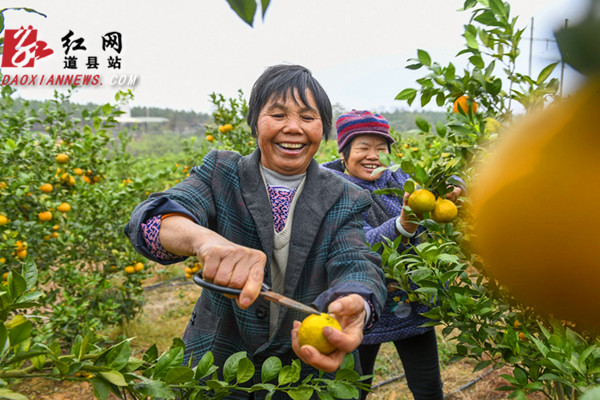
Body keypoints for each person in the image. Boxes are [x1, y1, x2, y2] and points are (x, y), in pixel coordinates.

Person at [124, 66, 387, 396]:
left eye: (308, 117)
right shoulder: (221, 172)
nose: (293, 128)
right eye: (277, 114)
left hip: (308, 370)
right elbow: (152, 219)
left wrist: (357, 302)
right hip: (217, 361)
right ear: (255, 121)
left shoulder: (345, 195)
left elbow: (357, 260)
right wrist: (203, 240)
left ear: (324, 129)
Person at [322, 110, 462, 400]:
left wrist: (454, 184)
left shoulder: (400, 179)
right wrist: (402, 225)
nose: (373, 156)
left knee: (428, 388)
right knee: (353, 390)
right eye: (363, 148)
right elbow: (357, 244)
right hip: (359, 305)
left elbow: (433, 183)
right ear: (345, 152)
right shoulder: (331, 191)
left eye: (381, 149)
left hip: (412, 303)